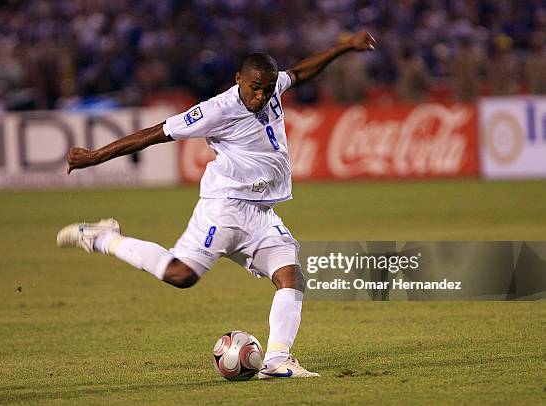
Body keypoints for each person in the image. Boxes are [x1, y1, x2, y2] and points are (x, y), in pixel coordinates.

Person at [57, 30, 376, 379]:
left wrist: (344, 47)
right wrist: (94, 156)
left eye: (268, 88)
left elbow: (300, 72)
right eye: (255, 87)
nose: (262, 95)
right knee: (180, 275)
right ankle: (103, 237)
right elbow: (155, 133)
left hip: (260, 212)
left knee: (291, 276)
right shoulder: (216, 110)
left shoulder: (272, 90)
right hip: (225, 209)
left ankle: (277, 361)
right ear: (238, 79)